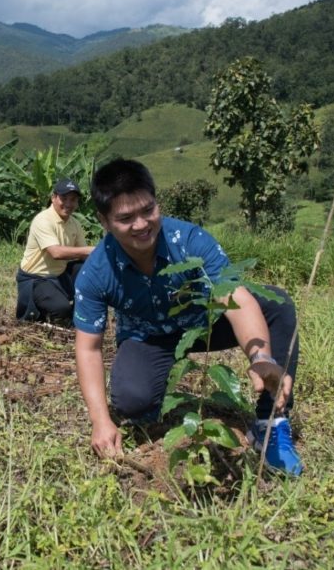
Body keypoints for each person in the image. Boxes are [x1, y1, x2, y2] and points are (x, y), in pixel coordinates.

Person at [73, 159, 303, 475]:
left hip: (204, 324)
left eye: (147, 210)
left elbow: (236, 297)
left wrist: (261, 356)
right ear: (104, 221)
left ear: (157, 202)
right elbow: (89, 348)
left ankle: (270, 424)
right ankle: (152, 393)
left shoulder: (190, 241)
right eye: (125, 218)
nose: (141, 224)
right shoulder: (97, 272)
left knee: (276, 305)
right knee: (133, 402)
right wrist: (100, 420)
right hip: (149, 337)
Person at [16, 178, 94, 324]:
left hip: (59, 275)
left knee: (85, 269)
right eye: (64, 198)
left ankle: (79, 312)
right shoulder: (43, 220)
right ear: (53, 198)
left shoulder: (75, 224)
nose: (69, 204)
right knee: (61, 308)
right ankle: (52, 312)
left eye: (73, 200)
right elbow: (56, 253)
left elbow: (85, 257)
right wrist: (92, 250)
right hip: (37, 278)